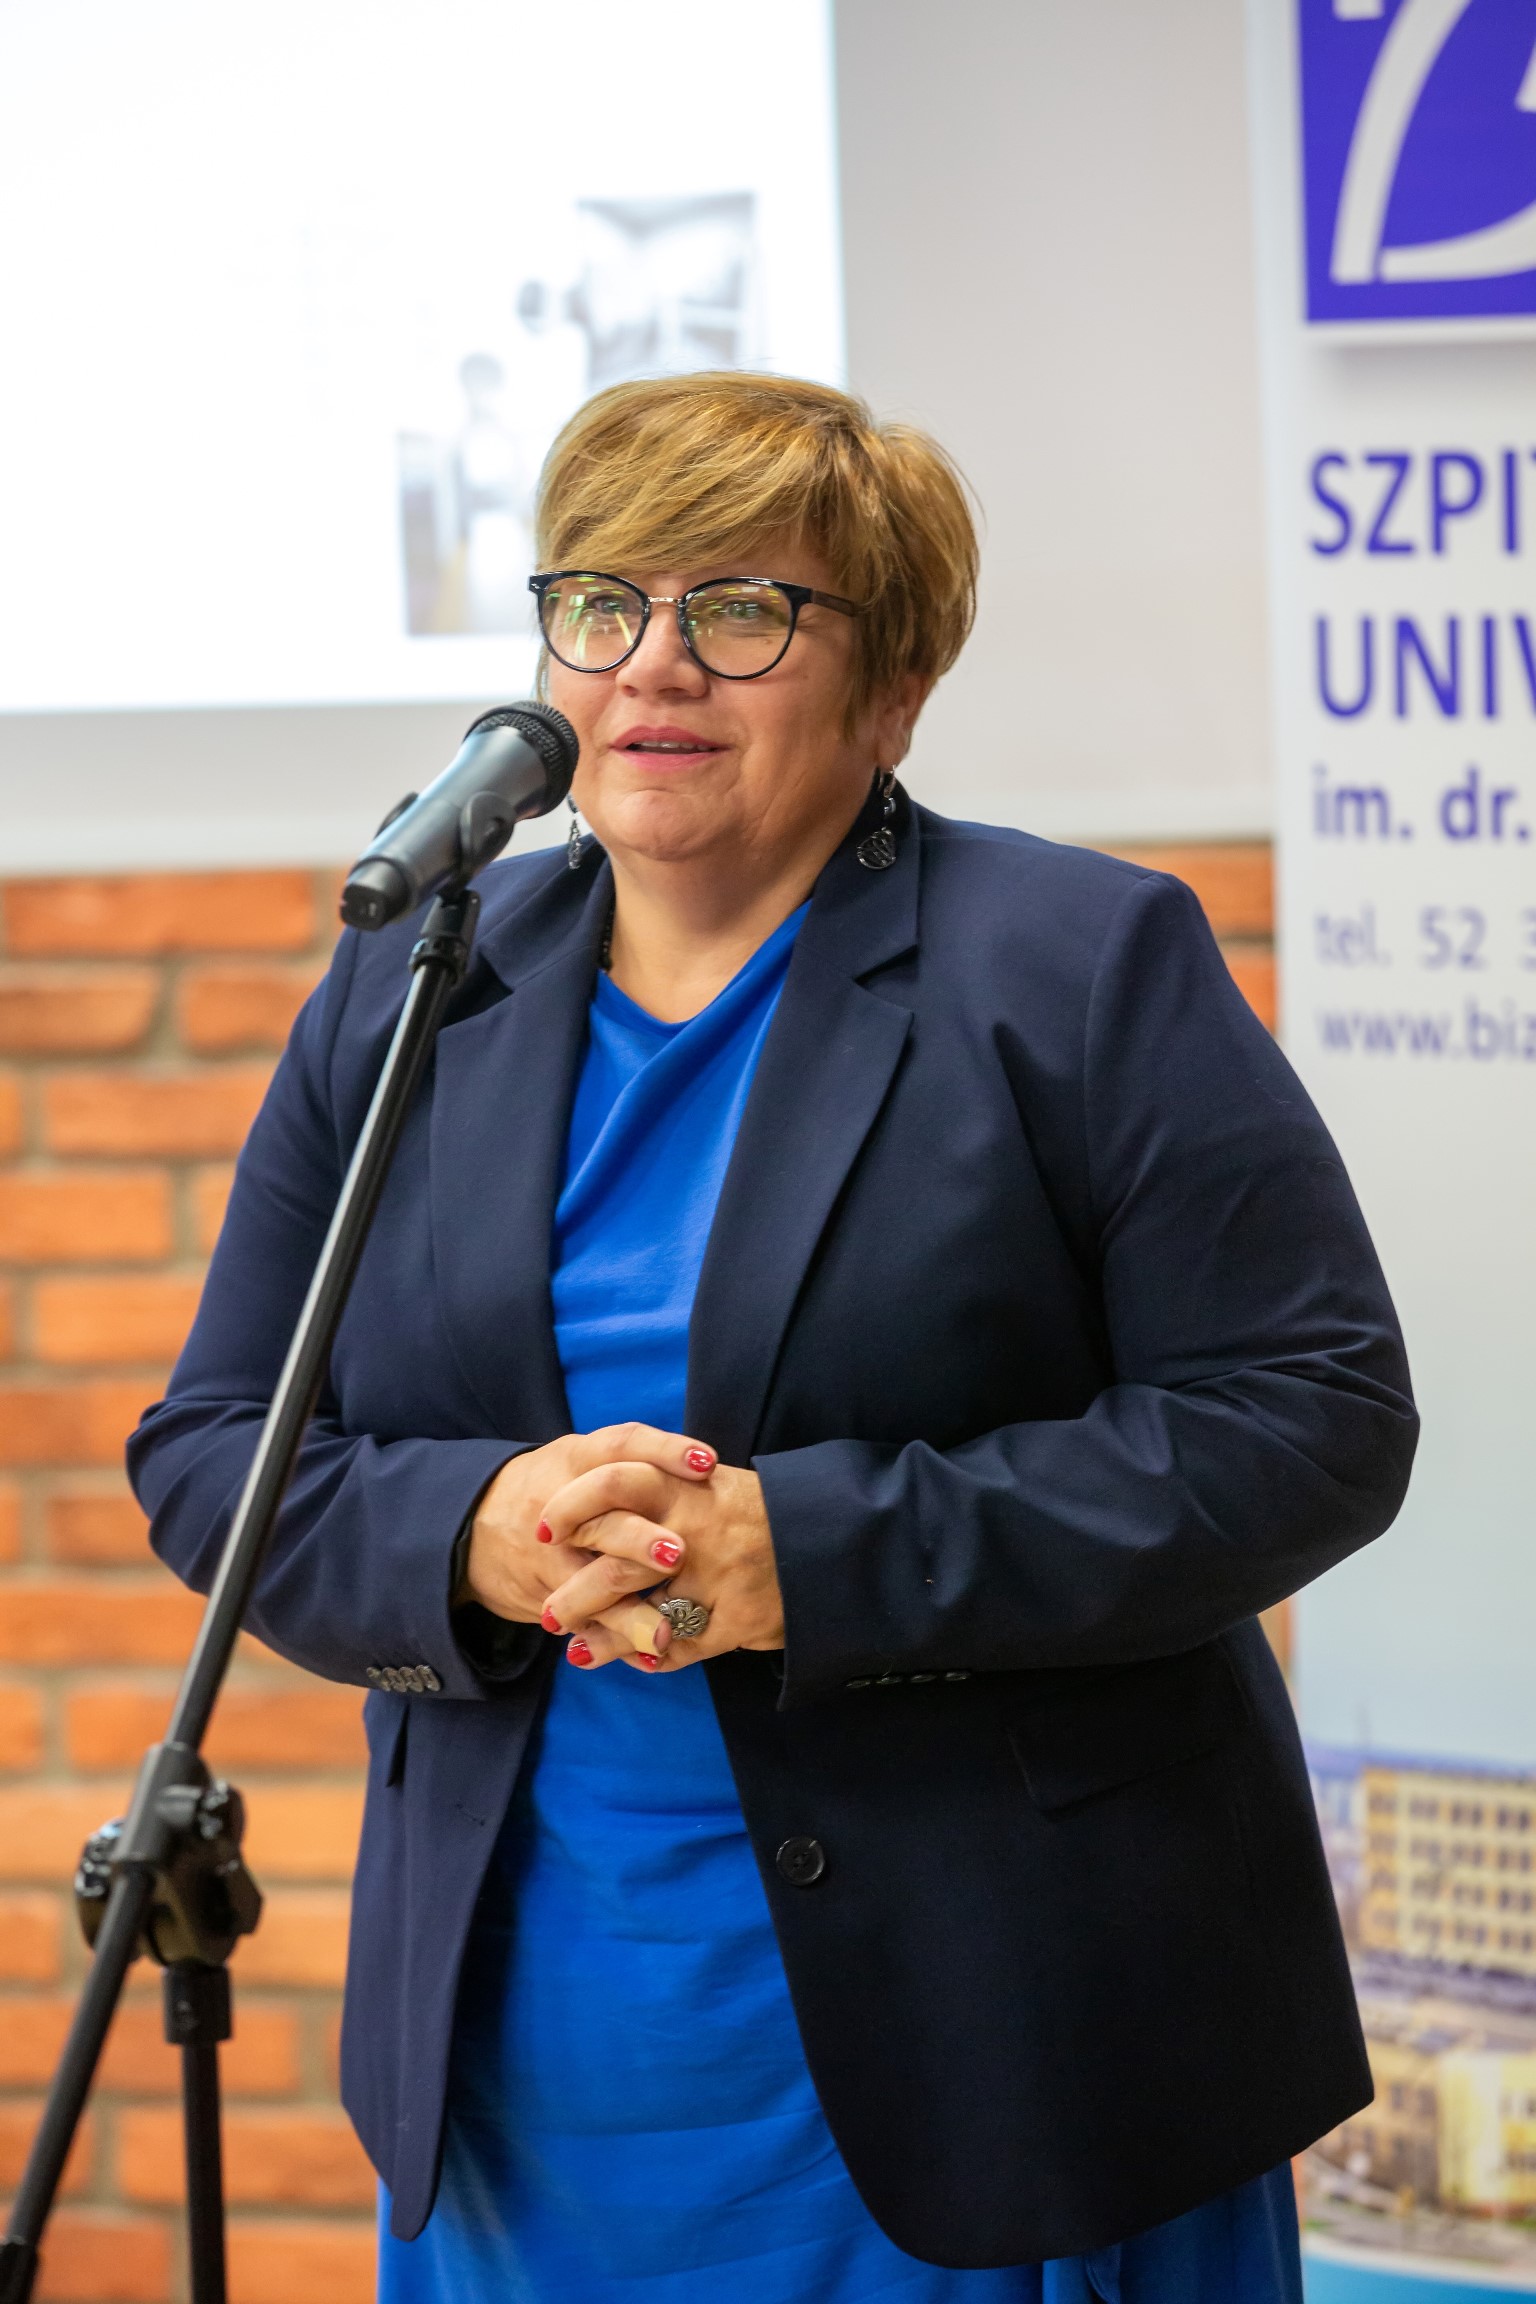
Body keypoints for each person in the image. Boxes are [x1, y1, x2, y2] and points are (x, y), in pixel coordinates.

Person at [130, 372, 1417, 2303]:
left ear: (895, 688)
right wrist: (474, 1533)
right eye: (602, 604)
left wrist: (803, 1552)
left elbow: (1309, 1419)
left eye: (740, 610)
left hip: (1014, 2028)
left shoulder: (1076, 964)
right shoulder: (415, 981)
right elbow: (215, 1447)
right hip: (540, 2033)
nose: (654, 663)